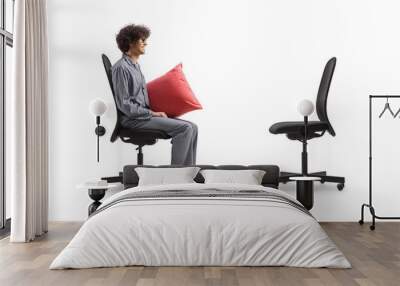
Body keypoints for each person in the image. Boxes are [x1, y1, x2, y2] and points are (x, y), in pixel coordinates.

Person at [111, 24, 198, 165]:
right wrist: (152, 113)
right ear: (130, 43)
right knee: (184, 129)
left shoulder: (135, 65)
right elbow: (125, 105)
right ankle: (177, 176)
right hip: (134, 120)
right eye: (142, 40)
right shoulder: (121, 68)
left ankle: (187, 174)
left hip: (142, 116)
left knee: (193, 127)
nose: (146, 43)